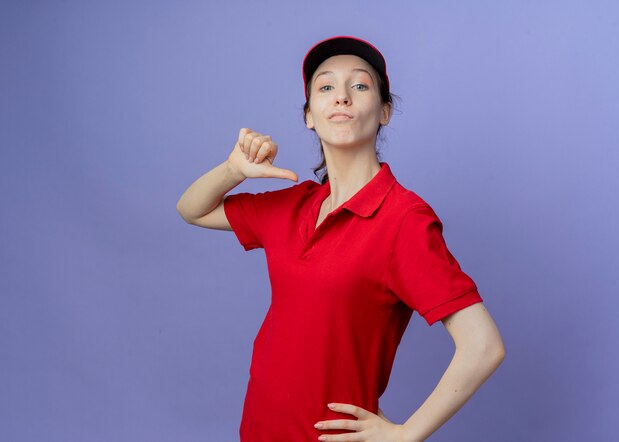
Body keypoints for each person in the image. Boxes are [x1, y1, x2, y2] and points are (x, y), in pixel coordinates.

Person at [177, 35, 505, 442]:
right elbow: (192, 209)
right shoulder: (291, 206)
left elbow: (483, 345)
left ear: (384, 111)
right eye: (326, 86)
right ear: (309, 116)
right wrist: (233, 170)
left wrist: (406, 434)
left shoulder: (404, 220)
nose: (342, 97)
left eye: (361, 85)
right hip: (259, 428)